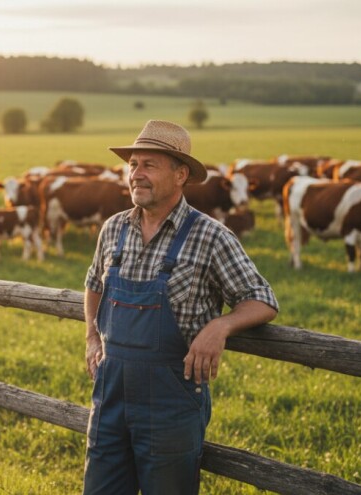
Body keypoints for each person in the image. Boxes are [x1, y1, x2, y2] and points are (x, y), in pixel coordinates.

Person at [83, 120, 279, 494]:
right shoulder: (114, 229)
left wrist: (219, 327)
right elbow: (94, 284)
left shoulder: (211, 235)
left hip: (171, 403)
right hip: (110, 396)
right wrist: (92, 335)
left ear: (181, 174)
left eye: (149, 165)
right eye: (133, 165)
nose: (136, 175)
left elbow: (262, 300)